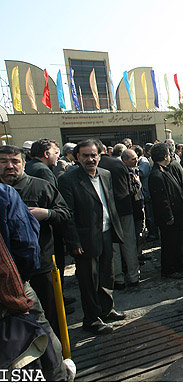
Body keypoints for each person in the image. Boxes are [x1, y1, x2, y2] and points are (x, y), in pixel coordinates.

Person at [0, 184, 75, 381]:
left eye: (14, 161)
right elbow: (25, 243)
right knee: (41, 338)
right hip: (14, 288)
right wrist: (21, 278)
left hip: (17, 282)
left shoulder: (35, 186)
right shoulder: (5, 194)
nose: (9, 166)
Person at [0, 145, 72, 338]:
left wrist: (47, 213)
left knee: (49, 317)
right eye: (4, 161)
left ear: (24, 164)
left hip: (41, 266)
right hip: (5, 273)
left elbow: (65, 214)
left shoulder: (41, 186)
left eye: (15, 161)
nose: (10, 166)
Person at [58, 139, 126, 335]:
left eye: (93, 155)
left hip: (106, 233)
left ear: (100, 155)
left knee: (107, 275)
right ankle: (91, 319)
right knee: (89, 281)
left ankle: (106, 309)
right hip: (84, 240)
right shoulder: (68, 179)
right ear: (77, 157)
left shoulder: (106, 174)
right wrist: (73, 241)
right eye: (85, 155)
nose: (90, 159)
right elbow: (67, 214)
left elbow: (109, 203)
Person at [99, 143, 140, 289]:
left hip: (108, 211)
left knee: (114, 246)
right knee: (129, 243)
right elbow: (130, 188)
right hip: (124, 209)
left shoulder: (94, 168)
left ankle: (118, 279)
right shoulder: (118, 164)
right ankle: (133, 276)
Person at [148, 143, 183, 279]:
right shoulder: (156, 175)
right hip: (169, 218)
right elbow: (162, 199)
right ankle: (169, 269)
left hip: (177, 214)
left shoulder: (165, 170)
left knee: (177, 242)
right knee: (169, 244)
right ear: (165, 156)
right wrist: (168, 216)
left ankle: (179, 264)